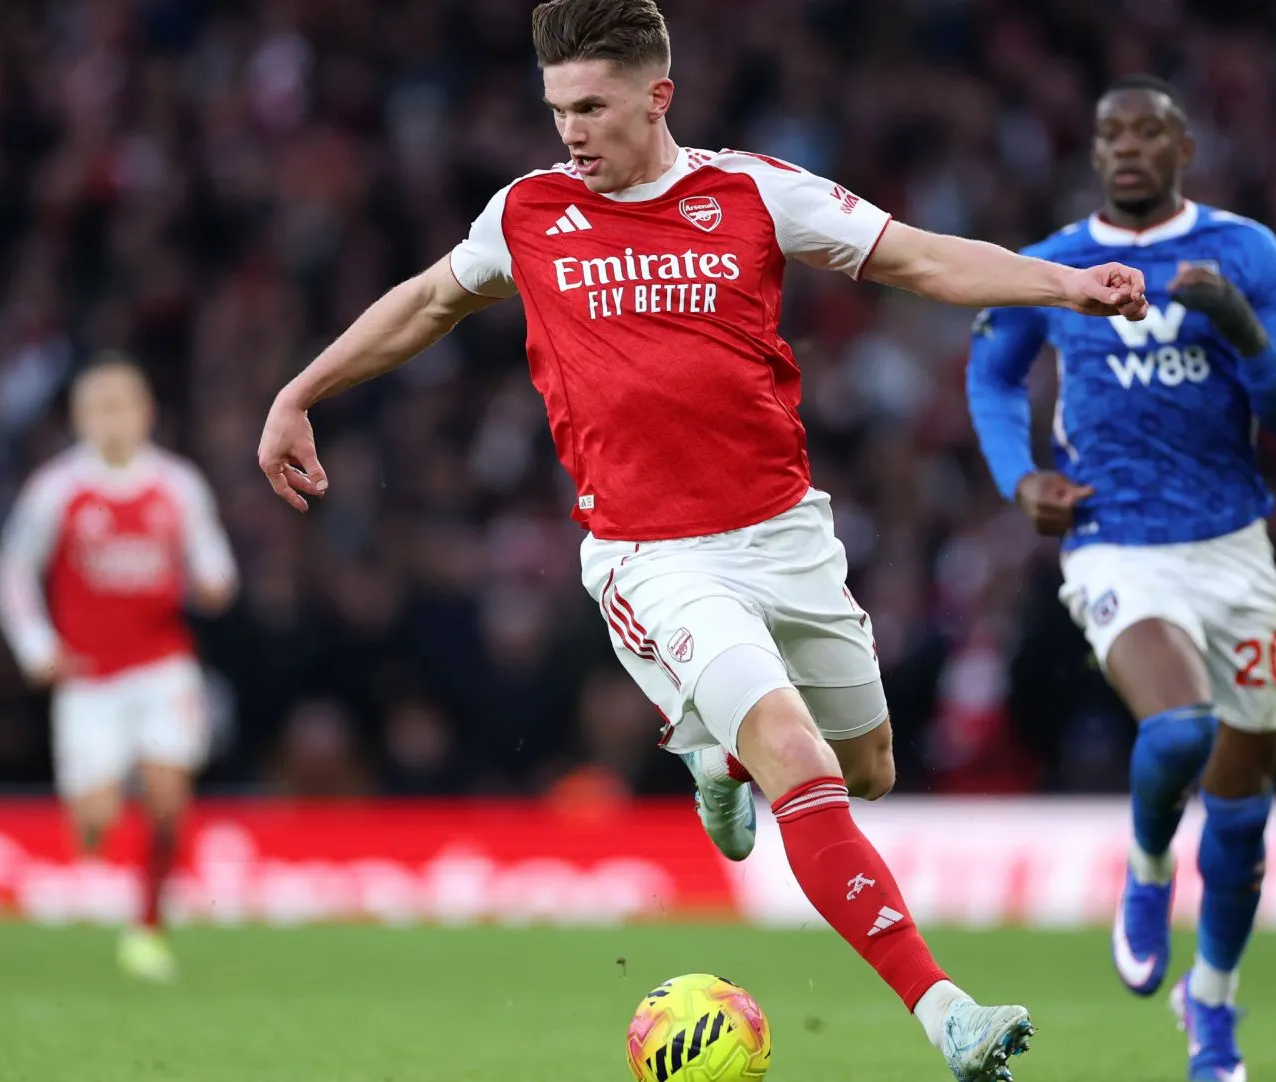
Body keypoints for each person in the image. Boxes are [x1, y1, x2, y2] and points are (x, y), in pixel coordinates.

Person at [256, 2, 1147, 1078]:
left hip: (786, 534)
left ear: (656, 95)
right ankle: (946, 1013)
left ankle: (709, 752)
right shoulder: (529, 212)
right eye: (557, 110)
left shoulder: (753, 192)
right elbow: (426, 303)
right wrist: (301, 391)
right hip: (656, 557)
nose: (571, 132)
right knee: (800, 755)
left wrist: (1065, 285)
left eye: (591, 107)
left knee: (868, 766)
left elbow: (915, 258)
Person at [965, 75, 1276, 1082]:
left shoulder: (1245, 253)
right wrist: (1017, 474)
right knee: (1179, 730)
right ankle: (1148, 864)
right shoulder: (1054, 264)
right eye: (1108, 132)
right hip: (1113, 537)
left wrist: (1242, 330)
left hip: (1233, 548)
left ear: (1184, 147)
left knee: (1247, 812)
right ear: (1093, 154)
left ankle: (1210, 1002)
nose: (1126, 146)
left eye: (1147, 130)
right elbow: (991, 371)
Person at [0, 355, 238, 982]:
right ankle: (105, 809)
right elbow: (13, 570)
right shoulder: (58, 489)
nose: (112, 421)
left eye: (122, 407)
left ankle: (148, 928)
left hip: (162, 668)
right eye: (98, 409)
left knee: (166, 801)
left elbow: (214, 561)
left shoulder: (177, 485)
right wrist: (34, 645)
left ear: (146, 414)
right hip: (88, 678)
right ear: (79, 419)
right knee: (95, 823)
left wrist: (214, 581)